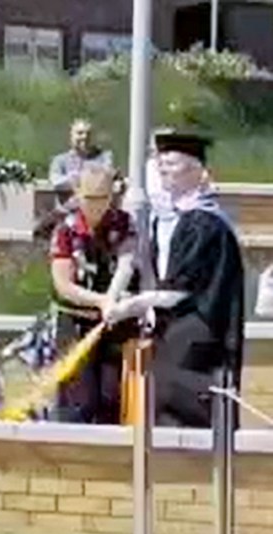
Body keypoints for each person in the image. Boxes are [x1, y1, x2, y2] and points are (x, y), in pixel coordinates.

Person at [106, 132, 244, 428]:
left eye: (171, 163)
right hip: (176, 333)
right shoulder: (171, 221)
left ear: (196, 171)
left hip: (200, 337)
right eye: (161, 163)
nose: (162, 169)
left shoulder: (205, 225)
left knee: (184, 414)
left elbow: (180, 291)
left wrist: (132, 306)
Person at [48, 165, 137, 424]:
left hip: (113, 323)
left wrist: (112, 297)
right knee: (79, 400)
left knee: (112, 397)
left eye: (103, 198)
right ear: (78, 193)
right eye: (90, 198)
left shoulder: (123, 222)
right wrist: (100, 301)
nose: (96, 206)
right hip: (75, 322)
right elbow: (63, 284)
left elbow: (126, 262)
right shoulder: (65, 229)